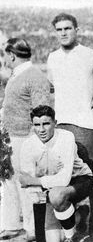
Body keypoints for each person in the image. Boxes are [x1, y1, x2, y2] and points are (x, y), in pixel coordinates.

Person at [47, 12, 93, 235]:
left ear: (76, 30)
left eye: (67, 28)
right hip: (61, 123)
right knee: (66, 174)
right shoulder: (52, 57)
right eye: (59, 30)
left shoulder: (92, 55)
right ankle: (75, 219)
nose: (63, 33)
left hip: (86, 123)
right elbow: (52, 86)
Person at [0, 38, 51, 240]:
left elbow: (42, 112)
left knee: (27, 183)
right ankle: (12, 225)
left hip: (24, 138)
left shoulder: (34, 76)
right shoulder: (16, 75)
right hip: (9, 136)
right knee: (7, 181)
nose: (4, 59)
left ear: (11, 55)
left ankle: (32, 230)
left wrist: (35, 140)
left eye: (5, 55)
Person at [19, 105, 93, 242]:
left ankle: (71, 237)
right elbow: (25, 181)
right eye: (37, 125)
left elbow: (64, 179)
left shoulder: (66, 137)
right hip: (50, 187)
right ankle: (78, 216)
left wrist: (34, 181)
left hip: (79, 180)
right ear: (32, 126)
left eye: (46, 124)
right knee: (52, 239)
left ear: (55, 123)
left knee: (57, 196)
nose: (41, 130)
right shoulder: (28, 145)